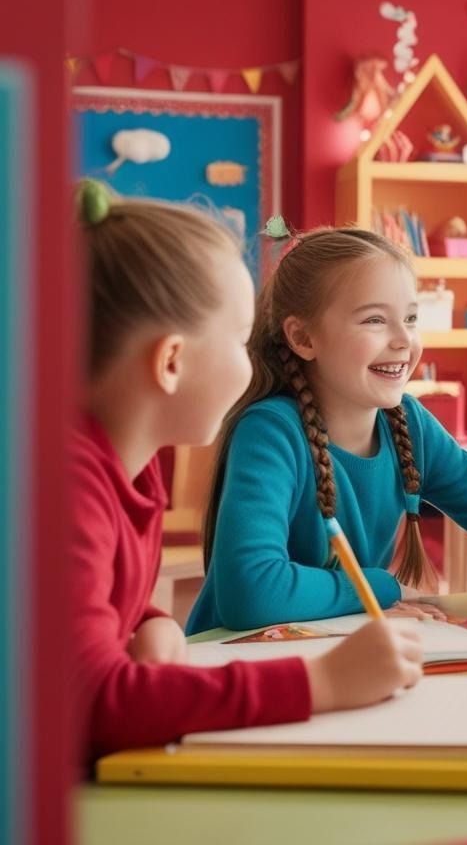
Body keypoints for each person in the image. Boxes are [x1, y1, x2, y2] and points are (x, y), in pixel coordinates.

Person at [72, 182, 423, 761]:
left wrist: (148, 622)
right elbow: (96, 702)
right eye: (239, 342)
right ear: (172, 362)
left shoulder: (127, 471)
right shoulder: (69, 490)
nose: (255, 364)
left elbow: (95, 610)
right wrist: (322, 684)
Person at [189, 226, 467, 633]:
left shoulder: (408, 421)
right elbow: (252, 591)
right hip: (236, 661)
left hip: (328, 651)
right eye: (373, 319)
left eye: (410, 318)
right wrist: (380, 590)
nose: (404, 340)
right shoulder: (270, 433)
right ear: (303, 338)